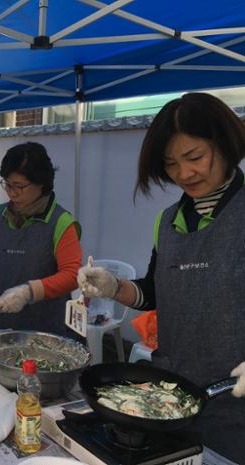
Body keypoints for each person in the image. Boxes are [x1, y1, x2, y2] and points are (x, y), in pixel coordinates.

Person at [77, 93, 245, 462]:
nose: (184, 174)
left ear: (226, 144)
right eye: (171, 163)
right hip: (170, 400)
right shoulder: (167, 221)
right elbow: (154, 293)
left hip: (236, 409)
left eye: (195, 157)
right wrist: (114, 287)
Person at [0, 142, 82, 334]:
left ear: (42, 183)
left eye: (19, 186)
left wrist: (28, 292)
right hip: (0, 327)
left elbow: (73, 275)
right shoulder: (0, 215)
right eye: (7, 184)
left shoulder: (61, 222)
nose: (12, 192)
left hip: (45, 330)